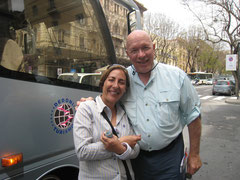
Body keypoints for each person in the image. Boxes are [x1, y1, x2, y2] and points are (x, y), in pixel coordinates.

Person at [77, 30, 202, 180]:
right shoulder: (123, 79)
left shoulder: (177, 76)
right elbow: (109, 99)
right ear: (127, 53)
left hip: (170, 157)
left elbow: (193, 116)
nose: (141, 55)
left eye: (145, 48)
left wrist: (194, 154)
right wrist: (91, 103)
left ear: (154, 47)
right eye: (134, 50)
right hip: (135, 158)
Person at [73, 65, 141, 180]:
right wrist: (120, 143)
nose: (115, 86)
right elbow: (82, 152)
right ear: (103, 83)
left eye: (121, 82)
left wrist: (119, 147)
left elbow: (136, 149)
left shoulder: (124, 113)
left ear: (125, 89)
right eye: (111, 80)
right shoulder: (86, 108)